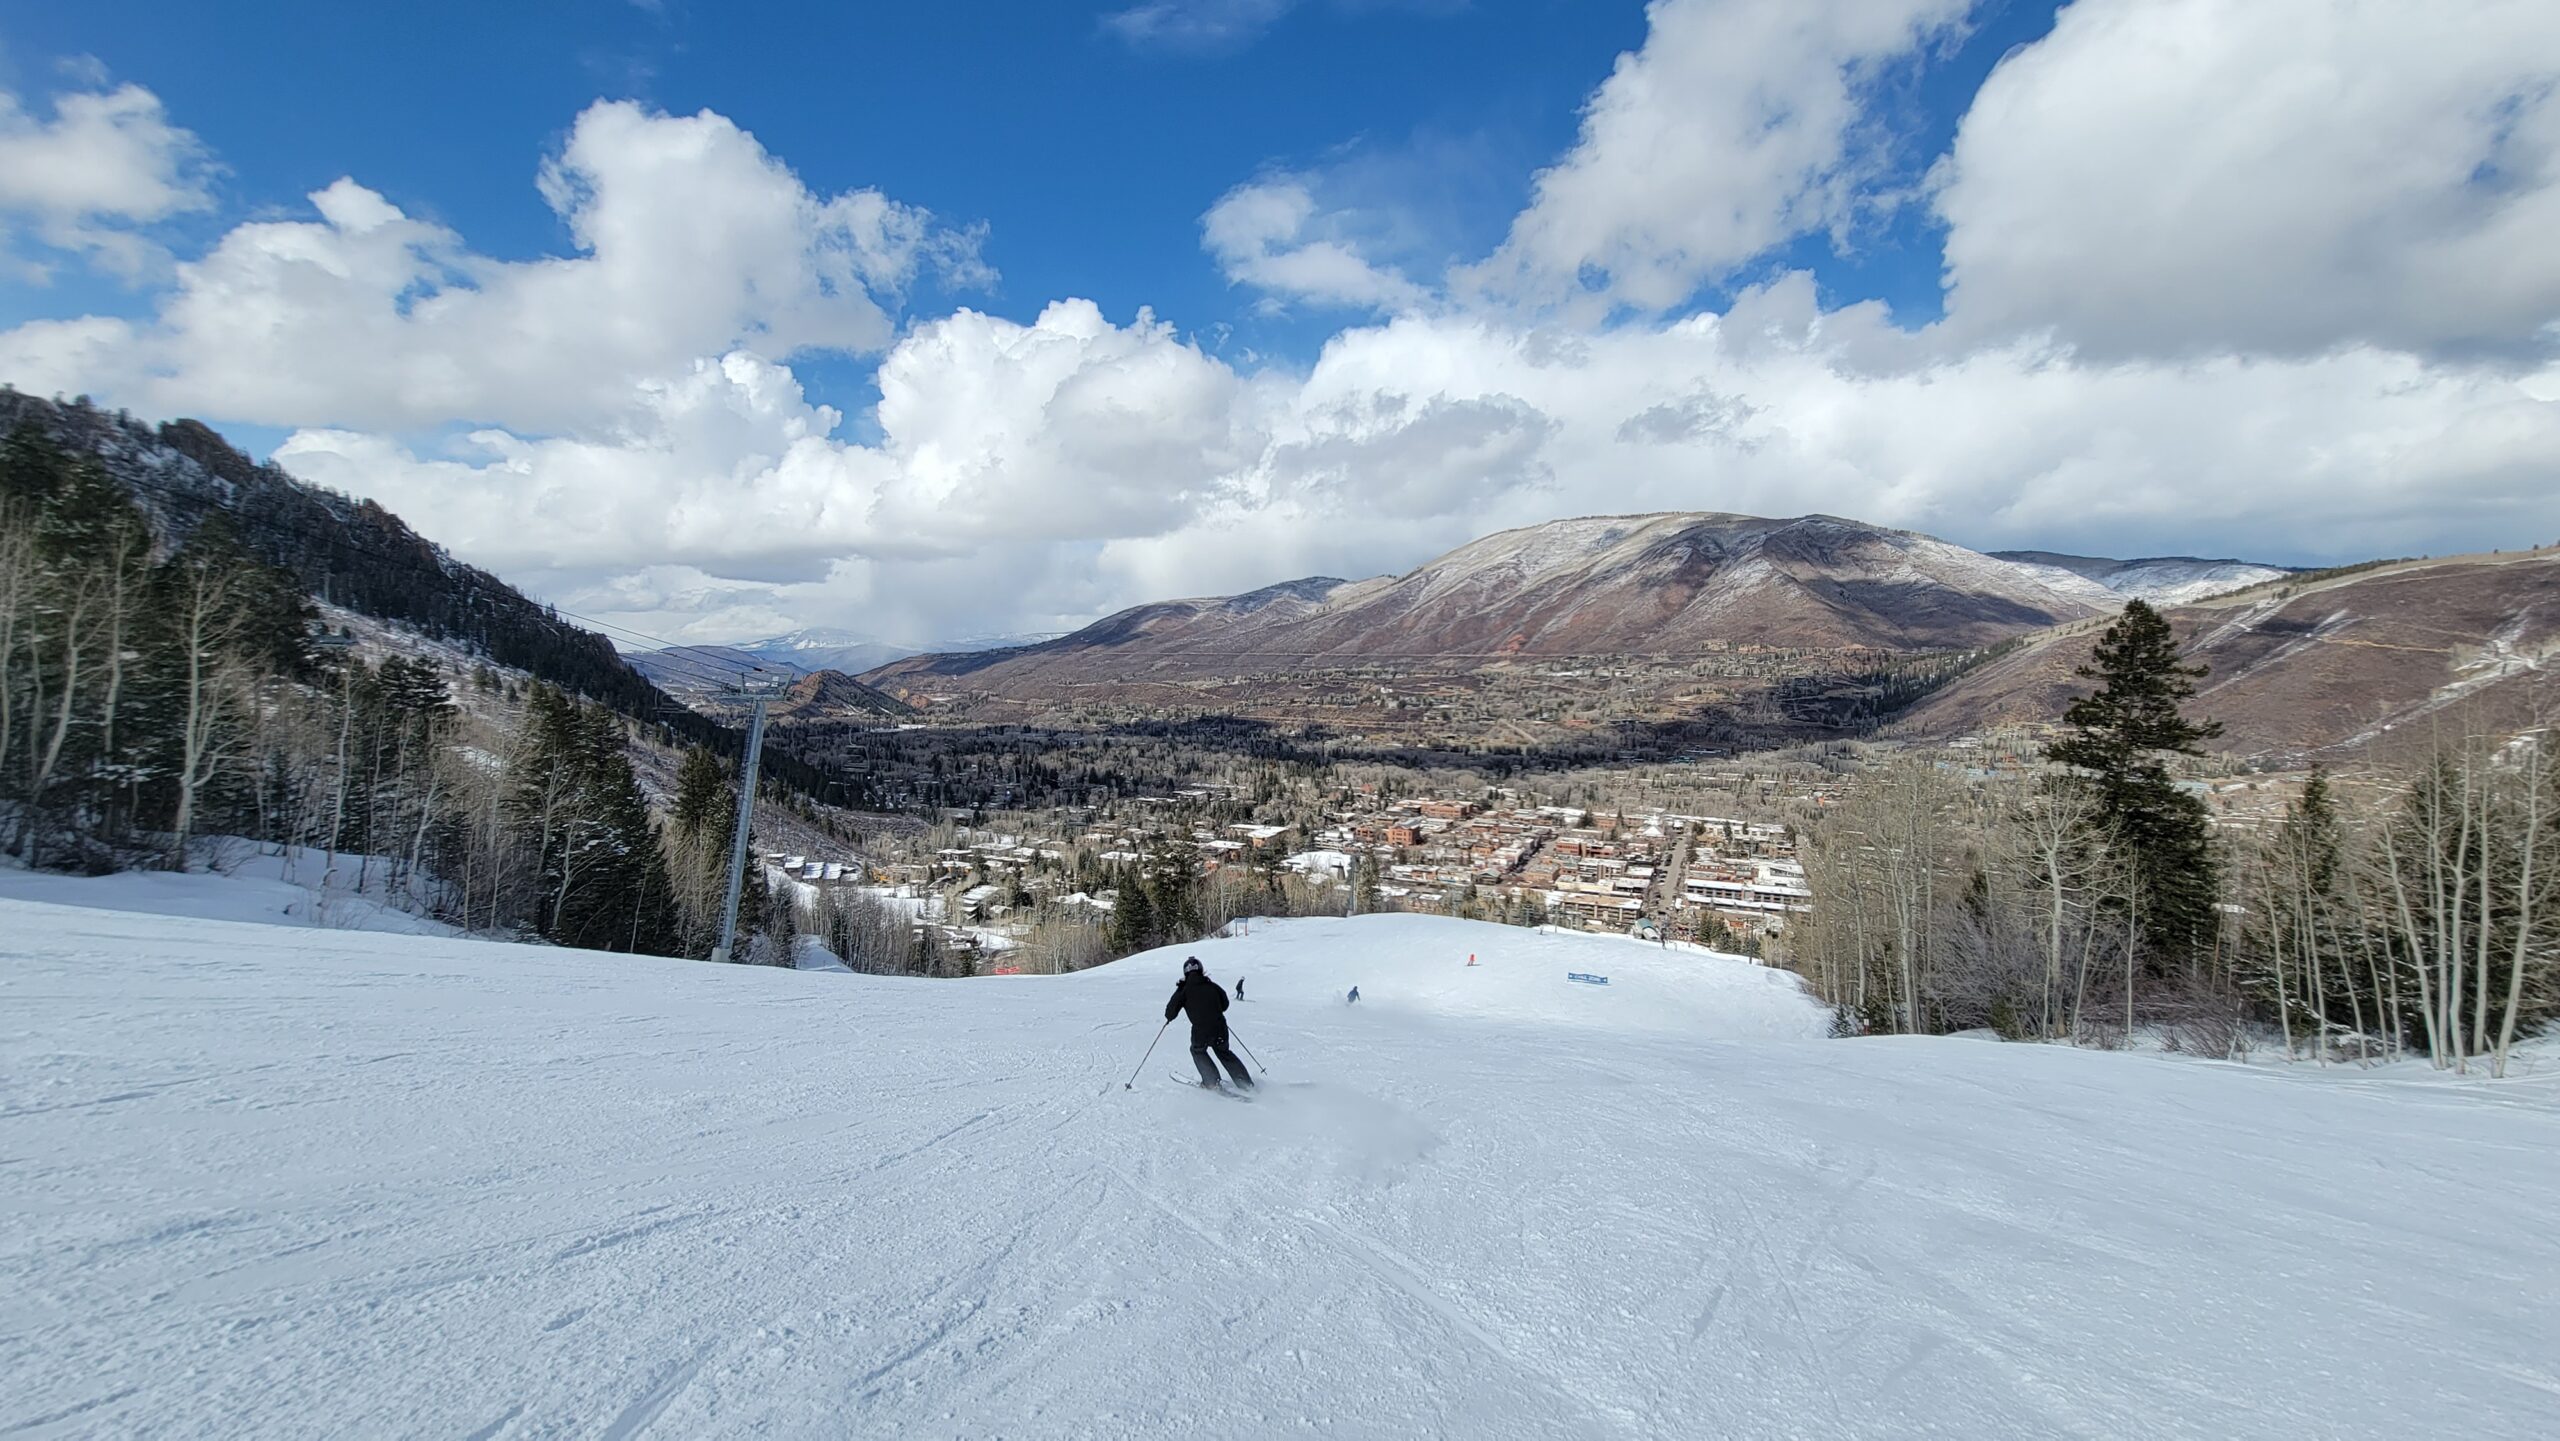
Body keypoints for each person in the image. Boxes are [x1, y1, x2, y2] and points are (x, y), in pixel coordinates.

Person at [1166, 957, 1252, 1090]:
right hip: (1220, 1027)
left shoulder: (1184, 990)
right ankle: (1245, 1083)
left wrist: (1170, 1015)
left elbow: (1170, 1012)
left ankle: (1212, 1082)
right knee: (1224, 1052)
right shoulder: (1212, 985)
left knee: (1198, 1051)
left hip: (1201, 1031)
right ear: (1201, 969)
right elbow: (1225, 1004)